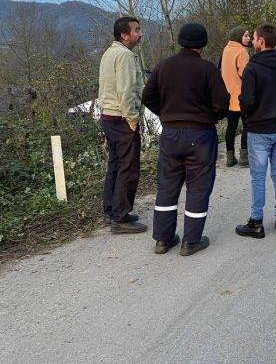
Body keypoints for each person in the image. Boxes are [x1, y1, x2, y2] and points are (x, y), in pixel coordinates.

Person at [142, 23, 230, 255]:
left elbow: (147, 96)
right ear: (203, 43)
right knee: (198, 186)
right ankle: (191, 241)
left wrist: (166, 113)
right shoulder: (207, 69)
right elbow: (222, 102)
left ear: (180, 41)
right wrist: (211, 116)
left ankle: (163, 239)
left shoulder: (163, 67)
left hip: (171, 134)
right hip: (200, 134)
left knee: (168, 185)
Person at [235, 23, 276, 239]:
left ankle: (256, 222)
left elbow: (247, 100)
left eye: (255, 38)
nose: (253, 41)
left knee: (258, 177)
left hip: (260, 129)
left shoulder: (252, 67)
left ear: (261, 41)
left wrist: (246, 112)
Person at [98, 16, 147, 234]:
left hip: (108, 116)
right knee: (128, 167)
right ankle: (121, 217)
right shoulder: (125, 56)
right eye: (136, 30)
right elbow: (126, 90)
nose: (140, 33)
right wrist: (132, 119)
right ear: (124, 35)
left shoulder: (109, 53)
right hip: (121, 117)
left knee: (115, 165)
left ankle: (111, 211)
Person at [221, 26, 251, 167]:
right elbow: (245, 75)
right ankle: (244, 157)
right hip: (241, 96)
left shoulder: (226, 49)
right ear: (239, 36)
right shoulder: (242, 51)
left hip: (228, 96)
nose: (248, 38)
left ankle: (230, 157)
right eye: (246, 35)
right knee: (247, 126)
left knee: (231, 127)